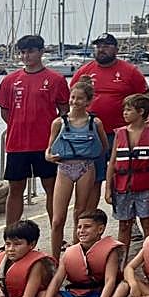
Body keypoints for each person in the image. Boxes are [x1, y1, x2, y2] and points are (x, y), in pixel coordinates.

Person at [21, 208, 126, 297]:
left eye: (87, 227)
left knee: (124, 286)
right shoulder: (70, 252)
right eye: (79, 227)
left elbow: (110, 280)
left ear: (100, 229)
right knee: (43, 294)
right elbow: (57, 280)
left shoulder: (110, 250)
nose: (81, 231)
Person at [0, 35, 69, 227]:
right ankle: (10, 234)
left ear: (41, 52)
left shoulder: (56, 79)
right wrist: (19, 125)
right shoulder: (9, 81)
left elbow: (64, 111)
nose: (26, 56)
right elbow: (5, 112)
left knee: (51, 188)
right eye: (22, 52)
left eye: (30, 51)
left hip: (46, 145)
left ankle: (56, 231)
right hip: (17, 144)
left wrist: (54, 135)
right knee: (15, 189)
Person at [70, 34, 148, 210]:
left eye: (106, 45)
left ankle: (128, 216)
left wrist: (139, 128)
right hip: (91, 134)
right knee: (93, 178)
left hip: (121, 134)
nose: (101, 49)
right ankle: (89, 219)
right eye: (98, 45)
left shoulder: (130, 71)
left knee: (123, 175)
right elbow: (73, 100)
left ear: (116, 49)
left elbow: (144, 100)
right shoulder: (84, 72)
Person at [45, 79, 108, 257]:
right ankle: (55, 258)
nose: (74, 101)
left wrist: (88, 155)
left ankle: (75, 255)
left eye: (80, 98)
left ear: (88, 101)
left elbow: (103, 147)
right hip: (64, 168)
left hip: (86, 167)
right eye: (72, 97)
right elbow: (48, 150)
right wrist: (50, 157)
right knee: (58, 219)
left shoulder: (95, 123)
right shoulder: (59, 122)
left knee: (79, 214)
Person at [106, 93, 149, 248]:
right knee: (124, 226)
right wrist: (108, 189)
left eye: (129, 110)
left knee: (147, 225)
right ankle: (121, 264)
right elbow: (112, 163)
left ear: (141, 112)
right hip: (122, 188)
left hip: (144, 187)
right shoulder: (119, 133)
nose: (125, 113)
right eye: (124, 110)